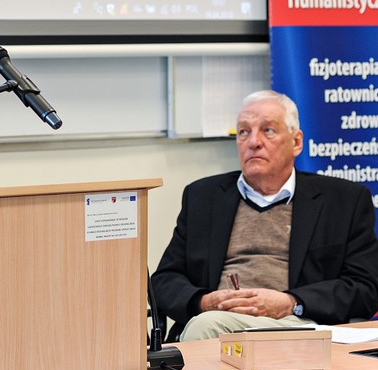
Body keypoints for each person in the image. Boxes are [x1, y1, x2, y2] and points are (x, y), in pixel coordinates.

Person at [152, 90, 378, 341]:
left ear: (296, 142)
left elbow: (365, 288)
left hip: (298, 324)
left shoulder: (343, 200)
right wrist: (204, 302)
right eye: (243, 132)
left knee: (206, 329)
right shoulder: (204, 197)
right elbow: (165, 280)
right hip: (217, 320)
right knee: (206, 326)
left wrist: (292, 302)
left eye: (268, 130)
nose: (253, 142)